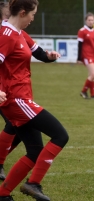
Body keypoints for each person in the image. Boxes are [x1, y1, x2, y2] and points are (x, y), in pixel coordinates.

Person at [0, 1, 69, 201]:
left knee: (35, 150)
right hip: (17, 100)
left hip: (22, 99)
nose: (33, 19)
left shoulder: (19, 33)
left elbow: (39, 54)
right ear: (22, 13)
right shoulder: (7, 36)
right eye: (32, 15)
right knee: (60, 135)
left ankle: (3, 194)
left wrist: (50, 56)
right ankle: (33, 183)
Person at [77, 12, 94, 99]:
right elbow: (80, 45)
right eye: (89, 20)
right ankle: (83, 91)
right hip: (87, 55)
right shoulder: (82, 31)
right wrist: (79, 58)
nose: (90, 22)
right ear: (86, 21)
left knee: (92, 76)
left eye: (92, 20)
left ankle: (93, 94)